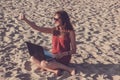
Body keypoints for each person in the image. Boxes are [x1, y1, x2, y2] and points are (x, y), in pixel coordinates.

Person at [18, 10, 76, 76]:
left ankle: (69, 69)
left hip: (63, 58)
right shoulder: (54, 30)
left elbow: (74, 50)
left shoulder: (70, 32)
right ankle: (54, 71)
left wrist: (62, 54)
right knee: (32, 58)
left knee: (43, 63)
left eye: (56, 19)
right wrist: (25, 19)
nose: (55, 20)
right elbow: (37, 28)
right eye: (54, 19)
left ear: (63, 19)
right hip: (53, 56)